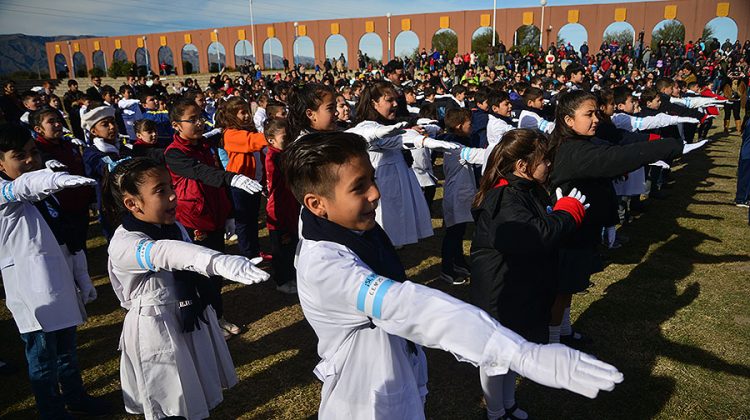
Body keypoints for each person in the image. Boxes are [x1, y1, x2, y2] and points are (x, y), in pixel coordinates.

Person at [285, 132, 623, 419]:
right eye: (359, 188)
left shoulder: (333, 222)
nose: (375, 193)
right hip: (365, 397)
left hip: (392, 366)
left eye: (372, 179)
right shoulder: (327, 267)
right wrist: (518, 353)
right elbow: (408, 306)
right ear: (316, 204)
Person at [103, 157, 270, 420]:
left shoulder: (173, 226)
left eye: (171, 186)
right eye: (160, 191)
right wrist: (215, 261)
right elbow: (164, 253)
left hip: (187, 316)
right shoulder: (124, 243)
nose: (173, 196)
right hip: (157, 327)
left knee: (195, 392)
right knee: (171, 400)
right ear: (132, 203)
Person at [547, 90, 701, 346]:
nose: (596, 119)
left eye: (596, 112)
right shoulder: (572, 150)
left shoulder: (582, 142)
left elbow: (618, 145)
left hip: (581, 227)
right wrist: (672, 146)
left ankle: (563, 331)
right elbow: (616, 158)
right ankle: (552, 343)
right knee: (562, 288)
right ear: (568, 120)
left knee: (570, 286)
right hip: (568, 233)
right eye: (589, 114)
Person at [471, 128, 589, 420]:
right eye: (544, 160)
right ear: (522, 166)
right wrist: (567, 213)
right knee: (497, 357)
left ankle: (508, 403)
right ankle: (495, 411)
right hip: (502, 292)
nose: (549, 165)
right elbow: (534, 236)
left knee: (515, 350)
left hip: (520, 287)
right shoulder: (505, 198)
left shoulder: (525, 190)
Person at [0, 123, 110, 419]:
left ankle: (75, 398)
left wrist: (82, 274)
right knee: (42, 356)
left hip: (58, 279)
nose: (28, 160)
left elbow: (67, 236)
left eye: (33, 152)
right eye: (18, 155)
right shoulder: (4, 193)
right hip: (31, 289)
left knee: (66, 350)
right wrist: (52, 179)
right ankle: (51, 410)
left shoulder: (45, 193)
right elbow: (22, 187)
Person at [165, 99, 264, 340]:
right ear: (177, 125)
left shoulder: (204, 146)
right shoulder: (175, 153)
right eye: (192, 119)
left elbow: (215, 180)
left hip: (215, 217)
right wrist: (232, 178)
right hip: (194, 221)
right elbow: (202, 173)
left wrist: (229, 214)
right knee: (202, 273)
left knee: (215, 272)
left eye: (200, 117)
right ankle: (207, 320)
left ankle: (216, 316)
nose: (199, 123)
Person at [215, 97, 269, 261]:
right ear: (232, 115)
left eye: (248, 112)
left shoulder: (248, 130)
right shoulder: (231, 134)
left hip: (253, 182)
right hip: (239, 185)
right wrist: (276, 133)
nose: (247, 116)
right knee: (244, 221)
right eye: (242, 113)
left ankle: (255, 250)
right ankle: (248, 254)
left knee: (252, 218)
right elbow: (253, 143)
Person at [437, 108, 486, 285]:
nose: (472, 126)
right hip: (456, 196)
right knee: (453, 234)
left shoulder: (459, 142)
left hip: (462, 194)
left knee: (459, 231)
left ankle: (458, 262)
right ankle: (447, 269)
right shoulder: (457, 147)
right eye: (469, 123)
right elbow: (477, 156)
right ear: (459, 126)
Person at [263, 118, 299, 294]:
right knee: (281, 249)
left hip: (290, 206)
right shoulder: (273, 157)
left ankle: (291, 276)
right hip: (278, 210)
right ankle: (282, 280)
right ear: (271, 140)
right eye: (285, 138)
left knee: (292, 244)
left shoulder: (282, 154)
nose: (289, 141)